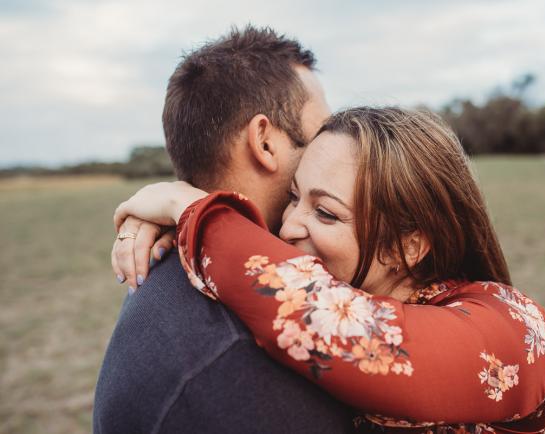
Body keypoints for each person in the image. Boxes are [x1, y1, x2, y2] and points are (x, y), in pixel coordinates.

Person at [113, 107, 545, 433]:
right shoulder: (336, 279)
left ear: (409, 247)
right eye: (293, 196)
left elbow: (335, 324)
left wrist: (193, 210)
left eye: (326, 214)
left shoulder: (518, 329)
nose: (288, 226)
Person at [94, 26, 354, 434]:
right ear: (264, 142)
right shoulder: (238, 358)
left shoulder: (187, 271)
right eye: (322, 134)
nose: (335, 147)